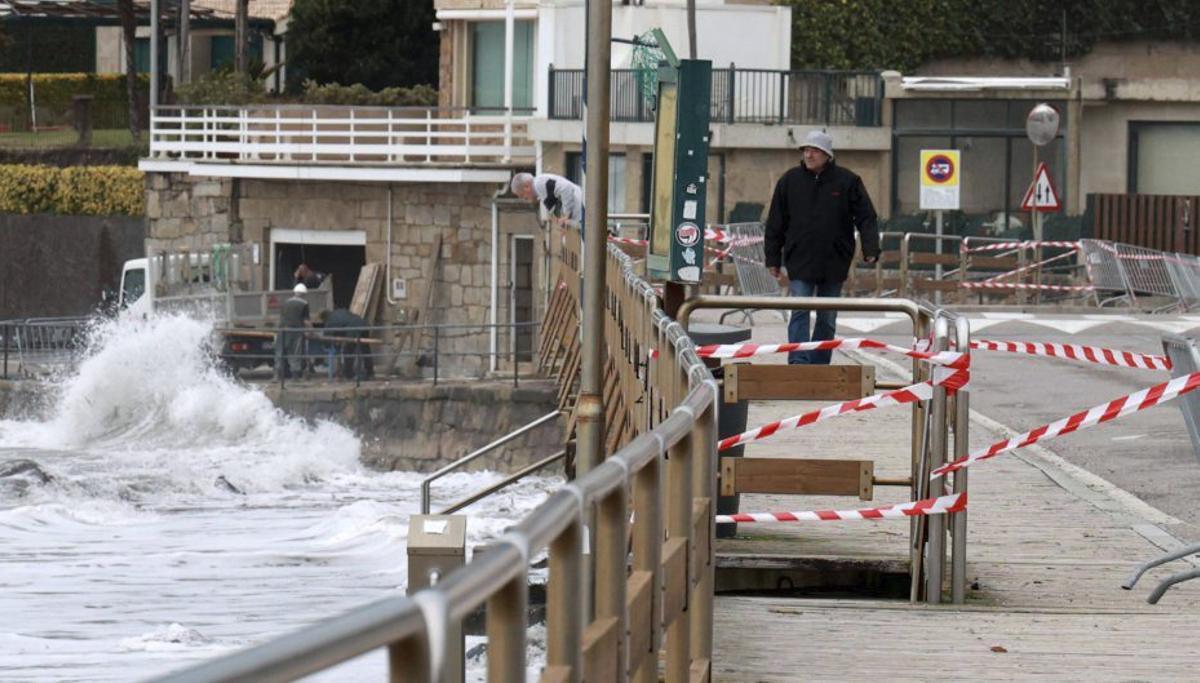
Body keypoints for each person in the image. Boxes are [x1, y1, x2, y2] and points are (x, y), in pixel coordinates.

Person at [764, 129, 880, 365]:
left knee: (827, 317)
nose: (808, 155)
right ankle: (799, 363)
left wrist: (871, 249)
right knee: (799, 312)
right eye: (805, 150)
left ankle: (819, 364)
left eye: (814, 151)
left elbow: (866, 217)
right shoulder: (789, 181)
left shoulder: (848, 181)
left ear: (827, 154)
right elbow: (776, 221)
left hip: (834, 260)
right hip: (800, 259)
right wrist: (773, 259)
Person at [318, 308, 374, 380]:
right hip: (363, 324)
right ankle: (370, 372)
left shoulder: (330, 321)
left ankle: (349, 374)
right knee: (366, 349)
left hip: (353, 329)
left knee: (348, 350)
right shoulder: (340, 311)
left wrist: (323, 343)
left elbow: (327, 337)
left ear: (324, 318)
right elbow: (344, 323)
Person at [510, 172, 583, 224]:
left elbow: (566, 188)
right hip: (581, 213)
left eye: (522, 195)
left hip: (582, 210)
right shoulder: (540, 188)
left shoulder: (539, 184)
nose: (524, 199)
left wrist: (566, 215)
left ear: (527, 187)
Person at [276, 283, 310, 379]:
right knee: (295, 352)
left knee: (280, 351)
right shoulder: (304, 303)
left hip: (282, 330)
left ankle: (277, 375)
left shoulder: (285, 302)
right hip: (295, 331)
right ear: (303, 294)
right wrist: (312, 331)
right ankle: (295, 376)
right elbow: (306, 320)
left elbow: (281, 317)